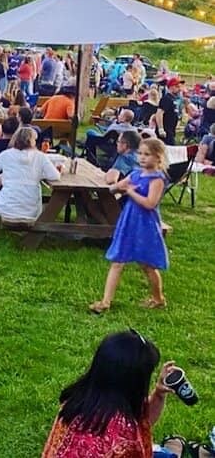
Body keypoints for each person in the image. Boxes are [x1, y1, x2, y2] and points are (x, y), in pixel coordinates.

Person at [42, 330, 175, 458]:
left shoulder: (76, 400)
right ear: (134, 382)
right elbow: (141, 427)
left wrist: (159, 394)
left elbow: (142, 421)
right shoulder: (125, 440)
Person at [90, 138, 169, 314]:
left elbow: (150, 203)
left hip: (145, 224)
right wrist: (118, 186)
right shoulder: (135, 174)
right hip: (129, 222)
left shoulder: (157, 179)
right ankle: (105, 301)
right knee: (118, 261)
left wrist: (131, 192)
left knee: (147, 265)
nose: (142, 157)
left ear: (158, 157)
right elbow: (114, 188)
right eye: (140, 153)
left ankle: (158, 298)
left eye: (147, 154)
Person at [155, 77, 183, 145]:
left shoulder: (174, 99)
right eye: (177, 87)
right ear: (171, 87)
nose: (180, 89)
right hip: (165, 132)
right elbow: (159, 113)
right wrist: (161, 129)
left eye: (180, 87)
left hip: (171, 131)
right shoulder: (166, 99)